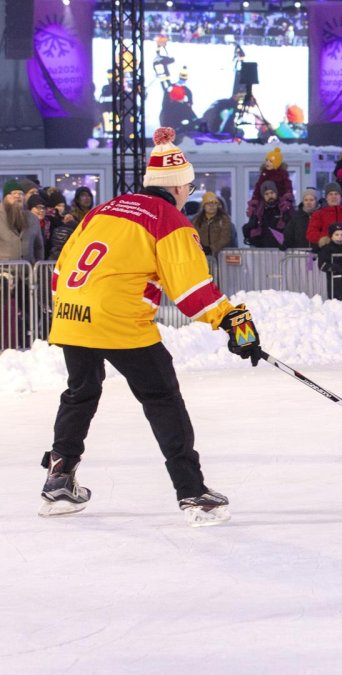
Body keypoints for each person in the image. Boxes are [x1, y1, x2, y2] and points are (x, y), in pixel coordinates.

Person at [40, 127, 262, 527]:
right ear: (176, 186)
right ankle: (192, 492)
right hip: (120, 320)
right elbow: (193, 292)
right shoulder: (168, 219)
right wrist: (234, 321)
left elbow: (61, 267)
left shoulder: (104, 209)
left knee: (81, 392)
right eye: (188, 186)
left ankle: (59, 479)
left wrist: (70, 309)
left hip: (72, 314)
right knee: (162, 398)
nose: (189, 192)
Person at [306, 182, 342, 247]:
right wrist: (330, 237)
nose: (334, 197)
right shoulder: (318, 214)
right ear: (326, 197)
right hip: (327, 247)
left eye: (336, 194)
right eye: (330, 194)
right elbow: (310, 234)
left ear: (341, 197)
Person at [247, 146, 294, 220]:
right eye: (267, 160)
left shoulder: (282, 175)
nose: (267, 163)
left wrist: (287, 200)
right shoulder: (264, 175)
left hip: (280, 204)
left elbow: (288, 189)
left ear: (277, 163)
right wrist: (253, 204)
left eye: (271, 161)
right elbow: (257, 190)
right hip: (265, 205)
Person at [242, 180, 287, 248]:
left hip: (281, 249)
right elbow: (249, 232)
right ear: (263, 196)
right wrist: (248, 228)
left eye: (272, 192)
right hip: (262, 249)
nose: (270, 196)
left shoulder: (284, 209)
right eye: (266, 194)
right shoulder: (258, 211)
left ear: (276, 193)